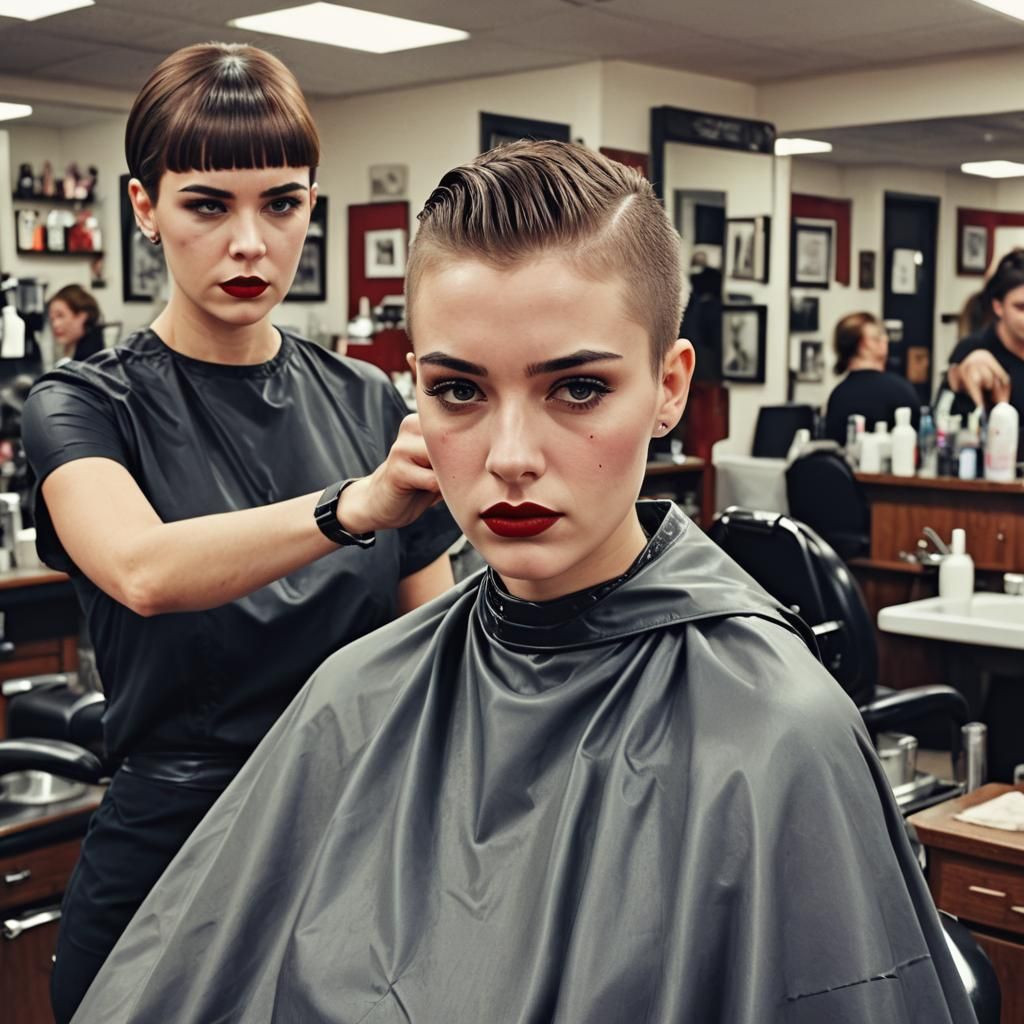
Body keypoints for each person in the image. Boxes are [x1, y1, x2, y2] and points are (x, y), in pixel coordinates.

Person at [70, 142, 974, 1024]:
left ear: (669, 387)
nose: (509, 459)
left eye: (577, 389)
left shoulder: (780, 736)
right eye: (459, 391)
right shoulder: (357, 694)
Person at [21, 43, 459, 1024]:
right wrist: (348, 510)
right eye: (208, 205)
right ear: (146, 209)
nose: (251, 244)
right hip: (170, 855)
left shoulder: (361, 398)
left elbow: (429, 649)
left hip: (350, 847)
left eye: (283, 203)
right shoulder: (83, 405)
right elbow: (140, 569)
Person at [947, 248, 1024, 424]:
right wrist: (960, 382)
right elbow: (945, 424)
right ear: (998, 307)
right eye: (1021, 308)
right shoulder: (973, 349)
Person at [824, 311, 920, 445]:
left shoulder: (838, 397)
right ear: (864, 345)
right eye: (878, 337)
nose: (885, 339)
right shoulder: (901, 390)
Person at [46, 284, 105, 362]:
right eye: (52, 319)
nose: (55, 325)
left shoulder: (88, 359)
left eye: (60, 316)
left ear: (82, 316)